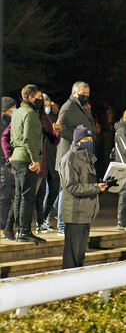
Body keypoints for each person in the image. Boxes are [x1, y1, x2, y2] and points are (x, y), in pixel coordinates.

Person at [58, 126, 109, 268]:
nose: (89, 142)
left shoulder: (87, 158)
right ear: (77, 141)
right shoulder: (69, 159)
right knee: (72, 255)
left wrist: (99, 186)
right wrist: (94, 188)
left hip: (85, 212)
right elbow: (71, 187)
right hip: (75, 212)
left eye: (90, 139)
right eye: (85, 139)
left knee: (80, 254)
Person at [57, 81, 95, 235]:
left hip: (81, 154)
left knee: (74, 189)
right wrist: (76, 140)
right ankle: (61, 224)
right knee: (65, 189)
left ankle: (71, 222)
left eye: (87, 93)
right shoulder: (68, 107)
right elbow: (60, 127)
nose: (85, 96)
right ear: (74, 93)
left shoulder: (82, 107)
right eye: (82, 93)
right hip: (69, 153)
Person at [9, 85, 45, 243]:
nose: (41, 100)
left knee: (19, 196)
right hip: (26, 159)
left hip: (17, 157)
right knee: (27, 197)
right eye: (39, 97)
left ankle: (19, 231)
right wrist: (35, 159)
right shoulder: (30, 114)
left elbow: (12, 136)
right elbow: (29, 138)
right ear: (31, 98)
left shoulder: (17, 113)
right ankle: (24, 232)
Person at [36, 94, 61, 232]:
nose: (47, 107)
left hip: (53, 159)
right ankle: (40, 222)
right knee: (41, 193)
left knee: (54, 190)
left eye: (48, 105)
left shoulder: (55, 119)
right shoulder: (39, 119)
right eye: (44, 105)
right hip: (43, 158)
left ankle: (45, 217)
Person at [0, 97, 16, 239]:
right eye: (13, 108)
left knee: (10, 196)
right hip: (4, 164)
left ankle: (7, 226)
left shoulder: (8, 121)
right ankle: (3, 226)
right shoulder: (4, 123)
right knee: (4, 197)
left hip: (8, 164)